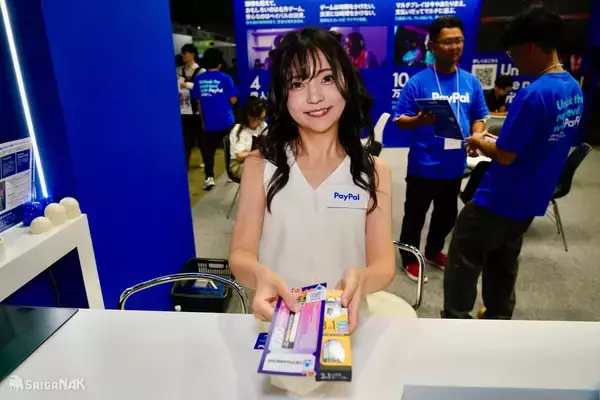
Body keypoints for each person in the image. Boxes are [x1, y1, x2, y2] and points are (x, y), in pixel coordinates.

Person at [228, 27, 395, 333]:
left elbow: (384, 265)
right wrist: (258, 274)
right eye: (297, 83)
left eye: (327, 78)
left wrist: (362, 278)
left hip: (346, 323)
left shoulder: (374, 171)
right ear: (282, 93)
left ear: (347, 81)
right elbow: (240, 254)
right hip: (278, 321)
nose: (314, 96)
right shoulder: (260, 165)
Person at [443, 7, 584, 319]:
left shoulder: (533, 95)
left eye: (514, 52)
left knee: (464, 257)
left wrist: (480, 141)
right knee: (503, 258)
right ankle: (498, 316)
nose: (514, 61)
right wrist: (499, 141)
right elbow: (538, 142)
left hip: (499, 198)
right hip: (531, 198)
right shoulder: (573, 89)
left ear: (530, 48)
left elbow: (506, 155)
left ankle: (455, 320)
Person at [393, 16, 489, 283]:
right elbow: (399, 119)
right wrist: (418, 120)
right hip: (423, 165)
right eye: (448, 42)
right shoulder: (418, 82)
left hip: (454, 165)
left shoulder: (470, 82)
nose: (455, 47)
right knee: (415, 216)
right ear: (433, 46)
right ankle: (409, 259)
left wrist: (477, 137)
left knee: (446, 216)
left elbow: (479, 115)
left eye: (459, 41)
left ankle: (434, 250)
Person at [192, 48, 239, 190]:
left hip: (209, 121)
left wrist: (203, 121)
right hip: (226, 119)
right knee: (230, 148)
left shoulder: (198, 79)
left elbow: (198, 102)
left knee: (209, 151)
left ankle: (209, 177)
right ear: (219, 64)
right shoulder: (226, 78)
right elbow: (233, 99)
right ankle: (231, 174)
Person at [177, 44, 206, 169]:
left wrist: (187, 85)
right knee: (187, 138)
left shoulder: (201, 71)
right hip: (184, 108)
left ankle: (206, 161)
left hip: (198, 109)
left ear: (193, 54)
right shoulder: (180, 70)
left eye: (186, 53)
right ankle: (185, 163)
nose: (183, 55)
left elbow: (202, 87)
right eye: (183, 53)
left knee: (201, 138)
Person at [229, 97, 267, 180]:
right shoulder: (238, 130)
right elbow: (239, 156)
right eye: (259, 119)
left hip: (257, 161)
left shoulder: (262, 125)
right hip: (239, 164)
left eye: (263, 118)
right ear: (249, 117)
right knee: (258, 171)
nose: (261, 121)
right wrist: (258, 152)